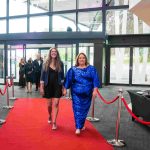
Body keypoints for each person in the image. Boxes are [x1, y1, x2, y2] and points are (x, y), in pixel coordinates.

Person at [63, 53, 100, 135]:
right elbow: (68, 80)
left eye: (83, 58)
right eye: (80, 58)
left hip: (87, 94)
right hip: (76, 93)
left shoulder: (91, 69)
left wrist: (95, 90)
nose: (82, 59)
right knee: (77, 110)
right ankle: (78, 127)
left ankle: (81, 124)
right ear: (77, 59)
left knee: (84, 110)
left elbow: (95, 80)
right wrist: (65, 89)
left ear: (86, 59)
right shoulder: (73, 69)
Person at [40, 48, 64, 130]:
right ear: (50, 53)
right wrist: (42, 88)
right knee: (49, 105)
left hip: (58, 86)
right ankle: (50, 115)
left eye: (55, 52)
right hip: (48, 86)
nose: (54, 53)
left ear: (57, 53)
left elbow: (62, 77)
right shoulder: (45, 63)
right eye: (52, 51)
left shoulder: (60, 63)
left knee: (56, 103)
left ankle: (54, 122)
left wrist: (63, 88)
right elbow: (42, 76)